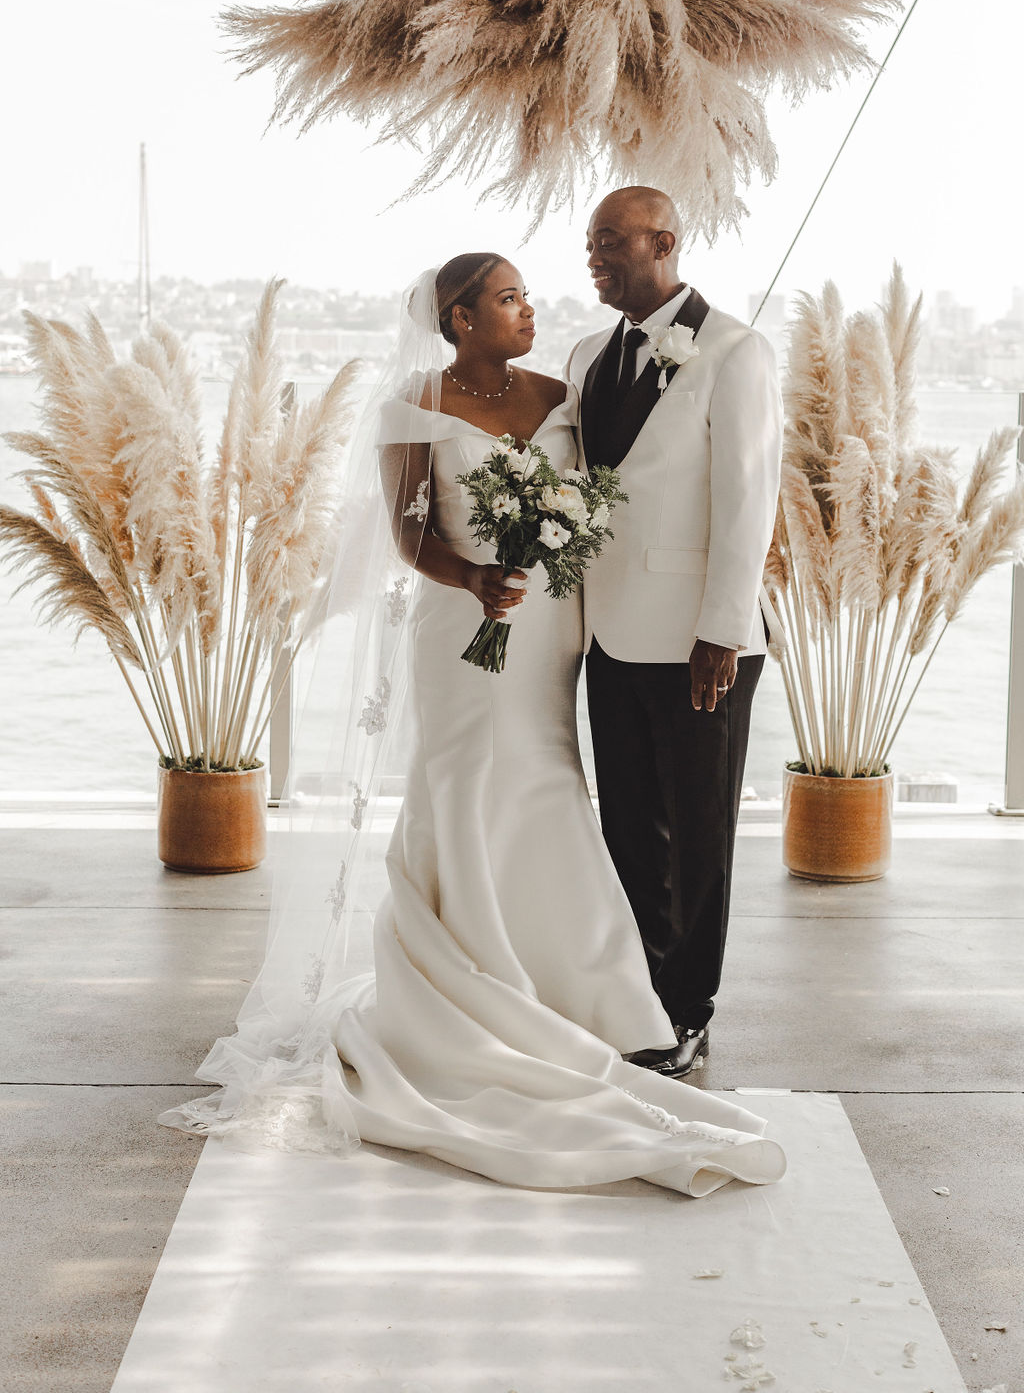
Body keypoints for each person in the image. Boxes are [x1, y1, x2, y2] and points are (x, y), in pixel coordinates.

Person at [164, 251, 785, 1198]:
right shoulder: (412, 404)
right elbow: (411, 532)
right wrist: (472, 578)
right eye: (507, 299)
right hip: (466, 625)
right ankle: (469, 973)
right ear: (458, 320)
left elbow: (628, 492)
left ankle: (589, 987)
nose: (528, 310)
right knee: (462, 778)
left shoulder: (563, 388)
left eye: (529, 296)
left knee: (547, 778)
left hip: (552, 633)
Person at [566, 188, 784, 1080]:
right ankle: (640, 995)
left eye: (613, 242)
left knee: (699, 836)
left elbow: (748, 499)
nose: (597, 256)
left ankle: (690, 1012)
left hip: (703, 644)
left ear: (665, 243)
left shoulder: (734, 350)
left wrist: (722, 630)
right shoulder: (588, 353)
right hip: (608, 636)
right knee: (628, 828)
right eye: (591, 243)